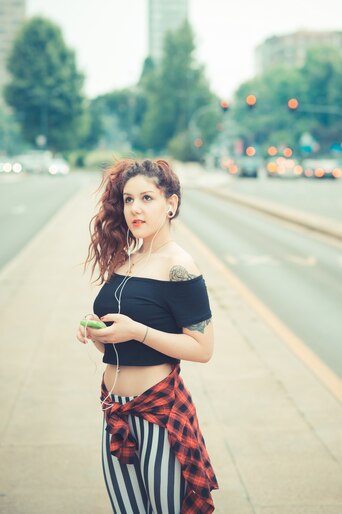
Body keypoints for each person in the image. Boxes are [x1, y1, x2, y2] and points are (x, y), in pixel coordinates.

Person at [76, 158, 218, 514]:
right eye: (128, 200)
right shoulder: (126, 259)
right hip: (115, 412)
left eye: (147, 198)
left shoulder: (179, 266)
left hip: (158, 413)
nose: (135, 208)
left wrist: (136, 331)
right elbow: (119, 337)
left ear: (171, 204)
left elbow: (202, 349)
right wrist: (97, 332)